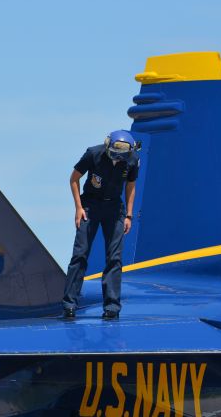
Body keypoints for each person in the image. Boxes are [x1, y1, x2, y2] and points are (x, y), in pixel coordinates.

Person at [62, 130, 139, 319]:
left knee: (114, 258)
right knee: (80, 254)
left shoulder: (132, 160)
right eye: (114, 155)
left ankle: (112, 307)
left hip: (114, 208)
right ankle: (69, 304)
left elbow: (131, 185)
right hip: (90, 205)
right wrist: (78, 208)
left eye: (121, 156)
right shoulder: (93, 153)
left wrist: (129, 215)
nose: (117, 159)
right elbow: (74, 178)